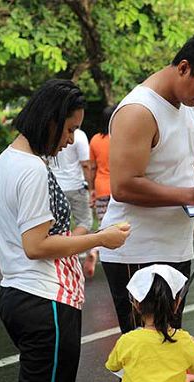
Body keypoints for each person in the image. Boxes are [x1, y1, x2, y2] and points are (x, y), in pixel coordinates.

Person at [0, 79, 130, 382]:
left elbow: (33, 233)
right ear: (50, 120)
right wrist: (100, 239)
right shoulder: (32, 170)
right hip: (44, 301)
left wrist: (81, 234)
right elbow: (36, 245)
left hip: (16, 293)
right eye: (69, 130)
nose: (70, 141)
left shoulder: (6, 160)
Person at [99, 32, 194, 334]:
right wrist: (191, 194)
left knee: (170, 351)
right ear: (184, 67)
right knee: (145, 356)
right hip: (137, 250)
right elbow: (123, 186)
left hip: (176, 247)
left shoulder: (190, 105)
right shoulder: (139, 111)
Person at [106, 264, 194, 382]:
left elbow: (113, 365)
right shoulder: (186, 342)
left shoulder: (127, 341)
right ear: (176, 304)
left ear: (137, 305)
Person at [83, 104, 118, 277]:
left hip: (101, 187)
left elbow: (91, 167)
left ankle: (95, 250)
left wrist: (91, 189)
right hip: (118, 189)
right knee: (119, 225)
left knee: (104, 224)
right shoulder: (119, 138)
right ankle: (112, 257)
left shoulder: (95, 140)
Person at [49, 128, 93, 237]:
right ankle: (68, 247)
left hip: (55, 188)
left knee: (57, 226)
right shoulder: (79, 135)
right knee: (85, 222)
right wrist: (91, 188)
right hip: (76, 186)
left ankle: (61, 248)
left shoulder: (52, 135)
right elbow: (85, 165)